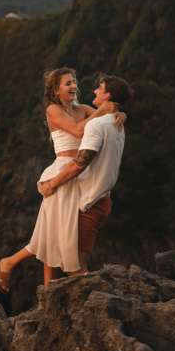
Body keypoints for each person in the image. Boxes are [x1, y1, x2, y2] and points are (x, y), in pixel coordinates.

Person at [0, 68, 124, 292]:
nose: (73, 86)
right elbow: (76, 131)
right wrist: (100, 111)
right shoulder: (53, 109)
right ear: (56, 90)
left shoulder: (82, 109)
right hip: (63, 171)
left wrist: (118, 113)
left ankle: (27, 274)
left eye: (74, 82)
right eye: (67, 83)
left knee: (54, 230)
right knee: (54, 230)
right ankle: (32, 278)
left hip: (77, 173)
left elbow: (110, 112)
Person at [39, 74, 134, 273]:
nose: (92, 90)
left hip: (85, 191)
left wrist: (52, 184)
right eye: (68, 83)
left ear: (107, 94)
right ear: (56, 90)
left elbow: (80, 163)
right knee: (53, 234)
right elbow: (83, 127)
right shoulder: (112, 123)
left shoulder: (91, 118)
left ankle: (77, 298)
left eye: (99, 88)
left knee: (69, 254)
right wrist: (115, 113)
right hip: (89, 189)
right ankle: (46, 294)